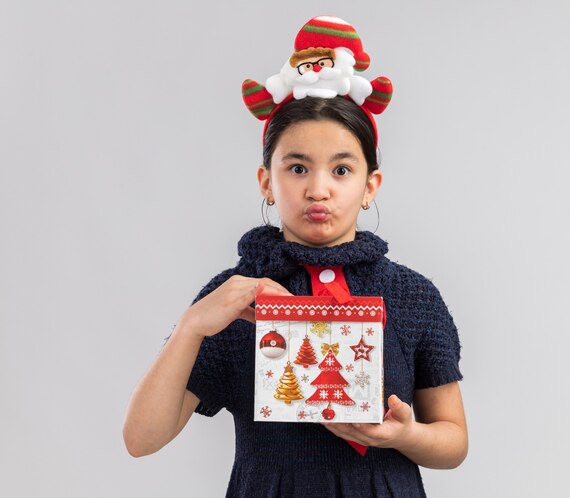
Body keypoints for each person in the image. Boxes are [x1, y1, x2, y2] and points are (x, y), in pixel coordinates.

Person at [123, 16, 467, 497]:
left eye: (342, 169)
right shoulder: (233, 299)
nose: (318, 189)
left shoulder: (412, 297)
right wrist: (192, 326)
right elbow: (141, 439)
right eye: (297, 166)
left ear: (371, 186)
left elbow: (454, 441)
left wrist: (406, 435)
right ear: (267, 180)